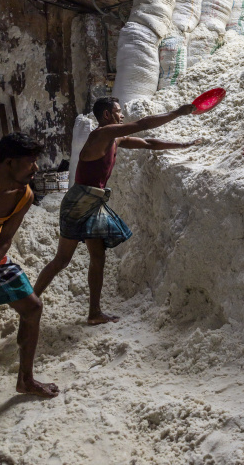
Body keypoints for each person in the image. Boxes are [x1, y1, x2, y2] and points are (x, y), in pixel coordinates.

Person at [34, 97, 201, 325]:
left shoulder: (115, 139)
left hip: (93, 202)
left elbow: (149, 143)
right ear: (106, 115)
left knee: (98, 257)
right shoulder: (102, 134)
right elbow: (142, 124)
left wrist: (182, 145)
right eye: (118, 112)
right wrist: (177, 112)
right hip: (79, 201)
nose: (122, 116)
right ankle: (31, 302)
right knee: (62, 260)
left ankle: (94, 313)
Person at [0, 133, 59, 398]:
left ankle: (26, 380)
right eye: (31, 162)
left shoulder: (25, 196)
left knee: (32, 307)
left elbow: (3, 241)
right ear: (9, 162)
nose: (36, 168)